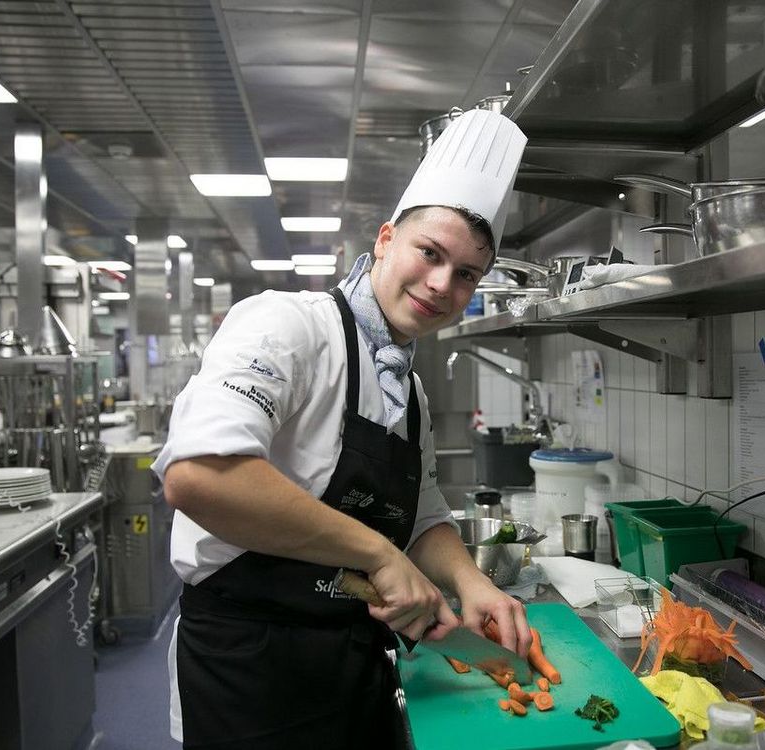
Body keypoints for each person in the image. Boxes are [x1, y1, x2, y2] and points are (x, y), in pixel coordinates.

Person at [153, 108, 530, 749]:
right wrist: (378, 554)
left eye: (466, 274)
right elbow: (200, 478)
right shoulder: (287, 325)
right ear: (385, 239)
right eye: (430, 253)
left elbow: (421, 512)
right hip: (249, 672)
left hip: (355, 663)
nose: (442, 284)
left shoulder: (409, 391)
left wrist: (473, 583)